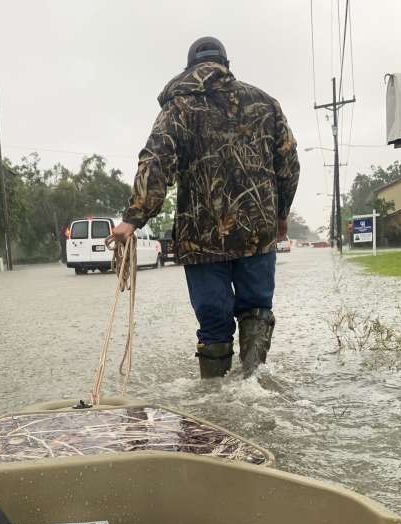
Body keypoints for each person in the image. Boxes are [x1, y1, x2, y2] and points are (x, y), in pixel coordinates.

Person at [107, 37, 300, 378]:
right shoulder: (266, 104)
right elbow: (288, 164)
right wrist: (280, 213)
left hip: (201, 238)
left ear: (189, 69)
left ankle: (214, 403)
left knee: (213, 320)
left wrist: (133, 219)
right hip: (257, 231)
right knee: (256, 309)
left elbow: (156, 161)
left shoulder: (178, 108)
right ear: (227, 64)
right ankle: (252, 386)